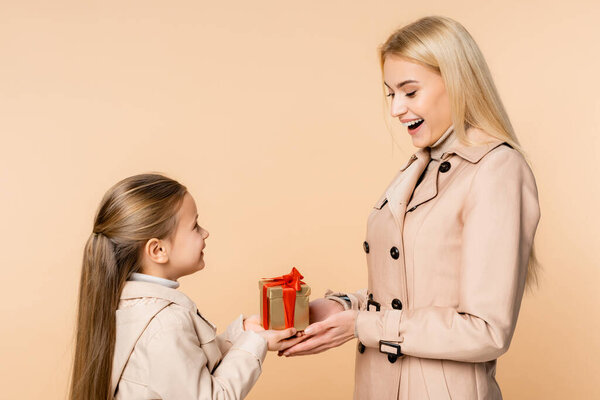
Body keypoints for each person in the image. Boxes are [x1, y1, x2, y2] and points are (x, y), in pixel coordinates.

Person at [282, 16, 541, 400]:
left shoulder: (496, 169)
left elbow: (486, 330)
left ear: (457, 80)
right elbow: (411, 291)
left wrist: (362, 326)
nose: (396, 110)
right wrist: (341, 307)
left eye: (410, 91)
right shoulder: (421, 165)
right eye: (390, 94)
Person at [69, 173, 301, 400]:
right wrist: (256, 343)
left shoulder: (129, 308)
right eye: (195, 226)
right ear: (158, 250)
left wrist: (243, 333)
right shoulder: (165, 324)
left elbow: (186, 370)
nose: (205, 233)